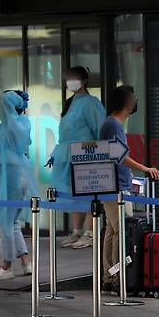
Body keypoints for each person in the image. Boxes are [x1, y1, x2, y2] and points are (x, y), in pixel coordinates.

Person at [99, 85, 159, 294]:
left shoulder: (112, 124)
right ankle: (117, 277)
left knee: (112, 230)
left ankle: (109, 276)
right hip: (116, 186)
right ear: (126, 102)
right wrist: (145, 169)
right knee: (120, 232)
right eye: (133, 99)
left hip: (114, 184)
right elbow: (120, 157)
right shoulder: (113, 125)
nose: (136, 103)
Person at [47, 66, 106, 249]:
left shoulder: (91, 102)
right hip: (69, 154)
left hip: (87, 154)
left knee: (88, 193)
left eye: (73, 78)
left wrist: (99, 152)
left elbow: (100, 129)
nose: (70, 81)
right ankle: (77, 231)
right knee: (74, 194)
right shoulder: (70, 102)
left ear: (84, 80)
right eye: (68, 77)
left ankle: (90, 233)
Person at [0, 90, 36, 281]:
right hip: (21, 175)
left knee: (5, 222)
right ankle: (25, 262)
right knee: (13, 222)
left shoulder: (4, 128)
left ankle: (6, 266)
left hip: (8, 177)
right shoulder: (24, 124)